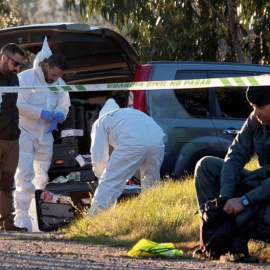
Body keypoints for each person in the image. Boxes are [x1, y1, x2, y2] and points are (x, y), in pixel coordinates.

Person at [194, 85, 270, 257]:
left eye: (261, 107)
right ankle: (216, 238)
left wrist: (244, 201)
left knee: (249, 216)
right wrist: (225, 199)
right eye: (253, 107)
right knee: (206, 166)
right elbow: (235, 156)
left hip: (264, 190)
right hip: (259, 183)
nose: (256, 112)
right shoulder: (255, 120)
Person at [14, 37, 71, 232]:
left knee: (41, 177)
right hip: (25, 132)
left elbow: (64, 104)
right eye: (53, 75)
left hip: (45, 134)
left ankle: (37, 218)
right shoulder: (25, 78)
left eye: (58, 77)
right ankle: (21, 219)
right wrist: (40, 113)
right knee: (24, 175)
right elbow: (18, 104)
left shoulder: (60, 82)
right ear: (45, 66)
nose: (55, 79)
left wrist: (59, 115)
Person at [88, 96, 165, 216]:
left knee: (109, 184)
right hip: (157, 140)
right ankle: (154, 216)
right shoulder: (128, 114)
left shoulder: (100, 122)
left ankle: (95, 221)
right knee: (151, 183)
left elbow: (98, 157)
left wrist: (102, 176)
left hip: (133, 141)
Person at [0, 43, 26, 232]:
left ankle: (7, 223)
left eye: (20, 65)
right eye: (15, 63)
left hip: (12, 138)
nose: (17, 68)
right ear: (3, 58)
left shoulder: (14, 79)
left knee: (8, 183)